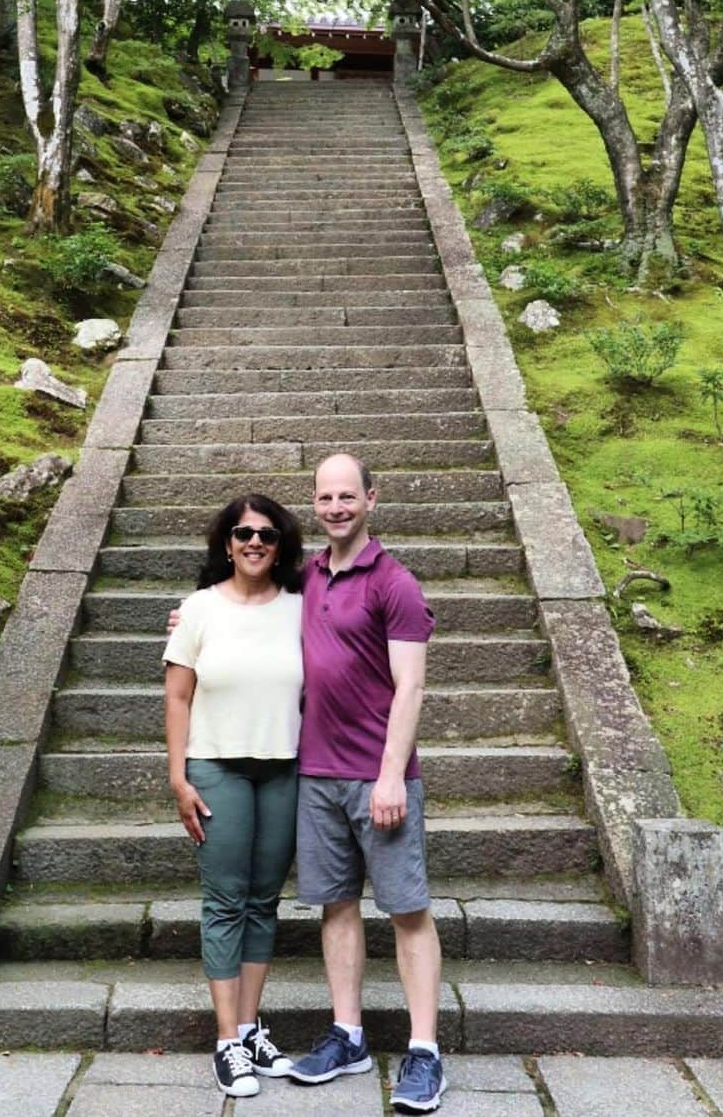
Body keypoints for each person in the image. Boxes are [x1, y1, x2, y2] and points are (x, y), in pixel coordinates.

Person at [287, 452, 445, 1114]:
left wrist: (389, 779)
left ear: (371, 499)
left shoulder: (395, 583)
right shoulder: (308, 576)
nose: (335, 508)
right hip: (316, 774)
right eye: (325, 497)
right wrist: (191, 621)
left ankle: (426, 1052)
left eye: (347, 496)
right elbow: (243, 605)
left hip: (378, 776)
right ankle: (347, 1035)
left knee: (407, 910)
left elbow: (411, 685)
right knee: (337, 907)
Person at [163, 492, 305, 1099]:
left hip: (283, 769)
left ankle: (250, 1028)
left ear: (281, 547)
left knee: (263, 901)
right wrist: (177, 777)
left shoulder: (302, 608)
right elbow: (177, 697)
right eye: (244, 533)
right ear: (227, 543)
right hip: (217, 766)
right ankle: (227, 1041)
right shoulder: (198, 609)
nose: (255, 542)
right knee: (225, 901)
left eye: (268, 535)